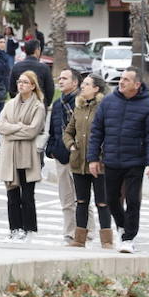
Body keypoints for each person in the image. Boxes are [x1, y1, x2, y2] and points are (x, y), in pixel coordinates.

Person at [87, 67, 149, 253]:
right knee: (111, 199)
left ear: (137, 85)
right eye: (121, 78)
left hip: (135, 161)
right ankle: (122, 226)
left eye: (126, 79)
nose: (121, 82)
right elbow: (97, 131)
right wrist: (93, 158)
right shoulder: (108, 102)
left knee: (133, 200)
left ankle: (128, 238)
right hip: (111, 159)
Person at [63, 74, 113, 249]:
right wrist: (71, 146)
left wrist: (101, 154)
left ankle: (107, 240)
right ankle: (79, 239)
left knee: (102, 202)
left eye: (86, 84)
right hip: (79, 163)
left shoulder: (105, 107)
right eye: (83, 84)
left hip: (99, 164)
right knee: (81, 201)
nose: (82, 87)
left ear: (96, 88)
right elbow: (68, 132)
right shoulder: (79, 107)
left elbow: (109, 135)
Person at [0, 70, 46, 243]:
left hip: (27, 155)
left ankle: (29, 229)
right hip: (9, 154)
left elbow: (33, 131)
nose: (21, 84)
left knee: (27, 194)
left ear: (33, 86)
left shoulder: (38, 106)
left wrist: (11, 131)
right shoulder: (9, 104)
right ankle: (14, 228)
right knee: (12, 195)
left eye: (25, 82)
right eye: (19, 81)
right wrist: (18, 127)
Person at [46, 68, 84, 243]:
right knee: (66, 198)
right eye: (59, 78)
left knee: (81, 198)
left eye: (65, 78)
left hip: (78, 155)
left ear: (75, 83)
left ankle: (86, 232)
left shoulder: (81, 102)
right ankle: (69, 232)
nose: (60, 81)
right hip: (60, 155)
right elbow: (53, 130)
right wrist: (51, 148)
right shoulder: (57, 103)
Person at [8, 39, 53, 105]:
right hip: (38, 104)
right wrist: (45, 103)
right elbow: (49, 89)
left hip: (20, 104)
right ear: (37, 50)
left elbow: (11, 89)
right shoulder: (44, 68)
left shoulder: (16, 67)